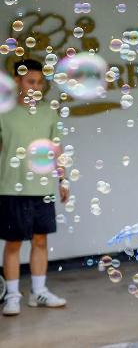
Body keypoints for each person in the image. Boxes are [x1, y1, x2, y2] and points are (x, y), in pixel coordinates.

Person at [0, 59, 68, 317]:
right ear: (18, 81)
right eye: (31, 81)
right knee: (14, 243)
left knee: (40, 240)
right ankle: (12, 296)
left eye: (40, 82)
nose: (36, 87)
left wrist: (63, 179)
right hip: (11, 187)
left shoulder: (49, 112)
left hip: (42, 187)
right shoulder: (4, 112)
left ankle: (38, 292)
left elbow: (57, 149)